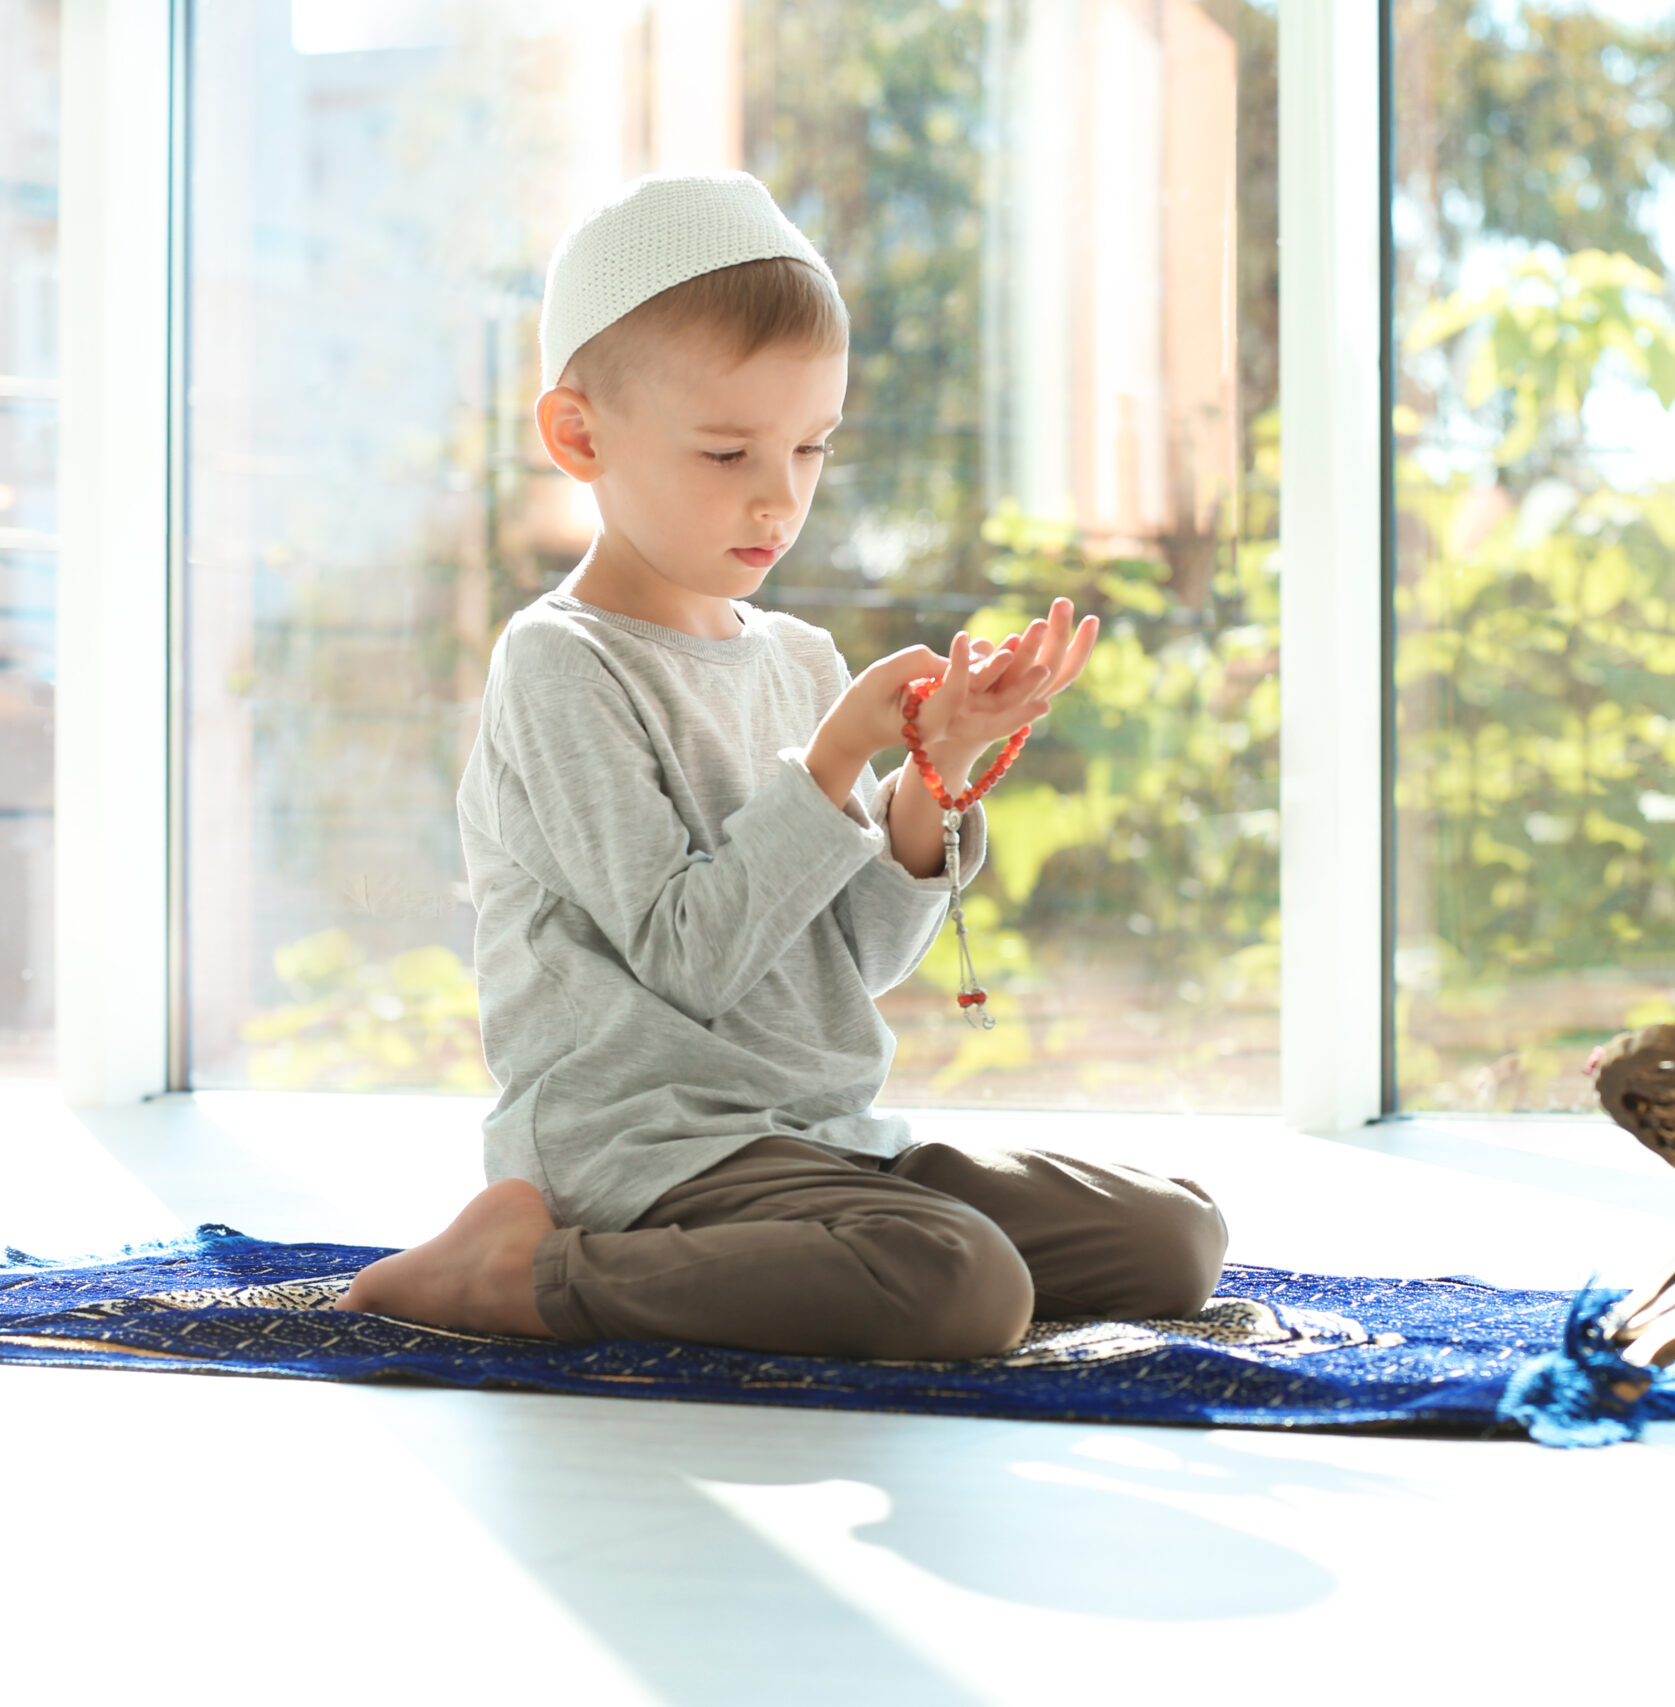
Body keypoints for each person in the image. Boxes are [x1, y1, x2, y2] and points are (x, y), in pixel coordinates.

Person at [340, 172, 1227, 1359]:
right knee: (957, 1289)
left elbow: (852, 959)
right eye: (726, 452)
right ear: (579, 435)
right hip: (645, 1152)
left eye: (810, 446)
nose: (779, 495)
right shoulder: (559, 662)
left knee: (1174, 1240)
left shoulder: (799, 658)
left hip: (818, 1139)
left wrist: (930, 774)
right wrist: (839, 755)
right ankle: (527, 1270)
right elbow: (688, 956)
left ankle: (817, 1238)